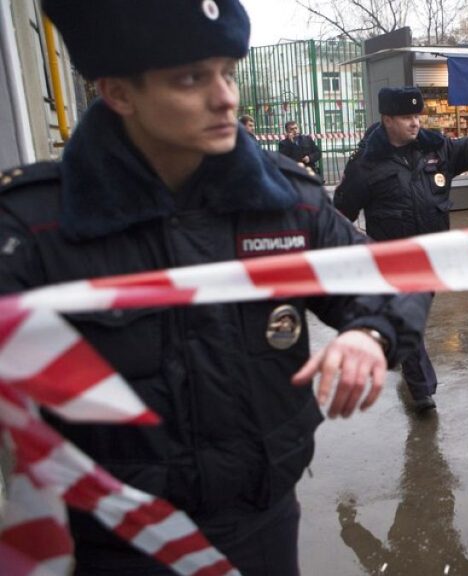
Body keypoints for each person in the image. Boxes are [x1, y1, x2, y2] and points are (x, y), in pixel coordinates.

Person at [0, 1, 429, 574]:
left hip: (262, 521)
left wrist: (372, 335)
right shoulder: (36, 229)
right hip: (115, 543)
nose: (226, 96)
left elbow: (392, 276)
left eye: (227, 71)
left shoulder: (283, 202)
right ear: (119, 92)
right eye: (190, 78)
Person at [334, 86, 468, 414]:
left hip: (432, 259)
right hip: (394, 263)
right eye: (407, 117)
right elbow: (341, 213)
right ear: (387, 120)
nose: (415, 123)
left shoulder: (435, 149)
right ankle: (421, 389)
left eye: (417, 116)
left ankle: (396, 349)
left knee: (414, 316)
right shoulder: (366, 165)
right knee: (407, 319)